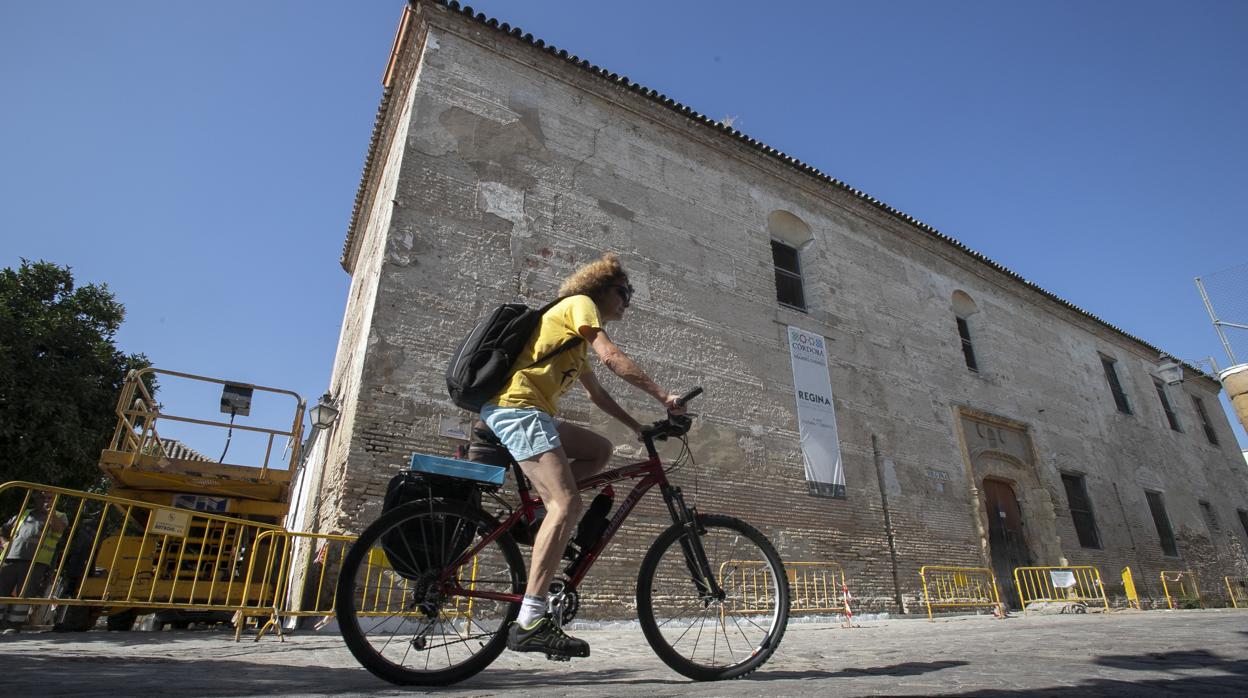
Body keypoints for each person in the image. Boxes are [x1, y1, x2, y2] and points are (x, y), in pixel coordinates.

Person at [480, 252, 684, 658]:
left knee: (600, 450)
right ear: (601, 288)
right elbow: (612, 357)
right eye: (623, 291)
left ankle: (543, 515)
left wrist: (637, 427)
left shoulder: (574, 341)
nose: (627, 301)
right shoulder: (580, 306)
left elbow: (598, 394)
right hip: (517, 408)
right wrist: (664, 396)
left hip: (533, 413)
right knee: (567, 502)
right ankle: (531, 621)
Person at [0, 491, 68, 634]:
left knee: (24, 594)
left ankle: (13, 625)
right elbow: (4, 530)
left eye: (50, 498)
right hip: (10, 558)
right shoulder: (24, 513)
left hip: (36, 561)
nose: (46, 501)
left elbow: (58, 529)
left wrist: (51, 512)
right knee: (1, 591)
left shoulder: (59, 516)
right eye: (42, 497)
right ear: (36, 499)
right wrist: (5, 544)